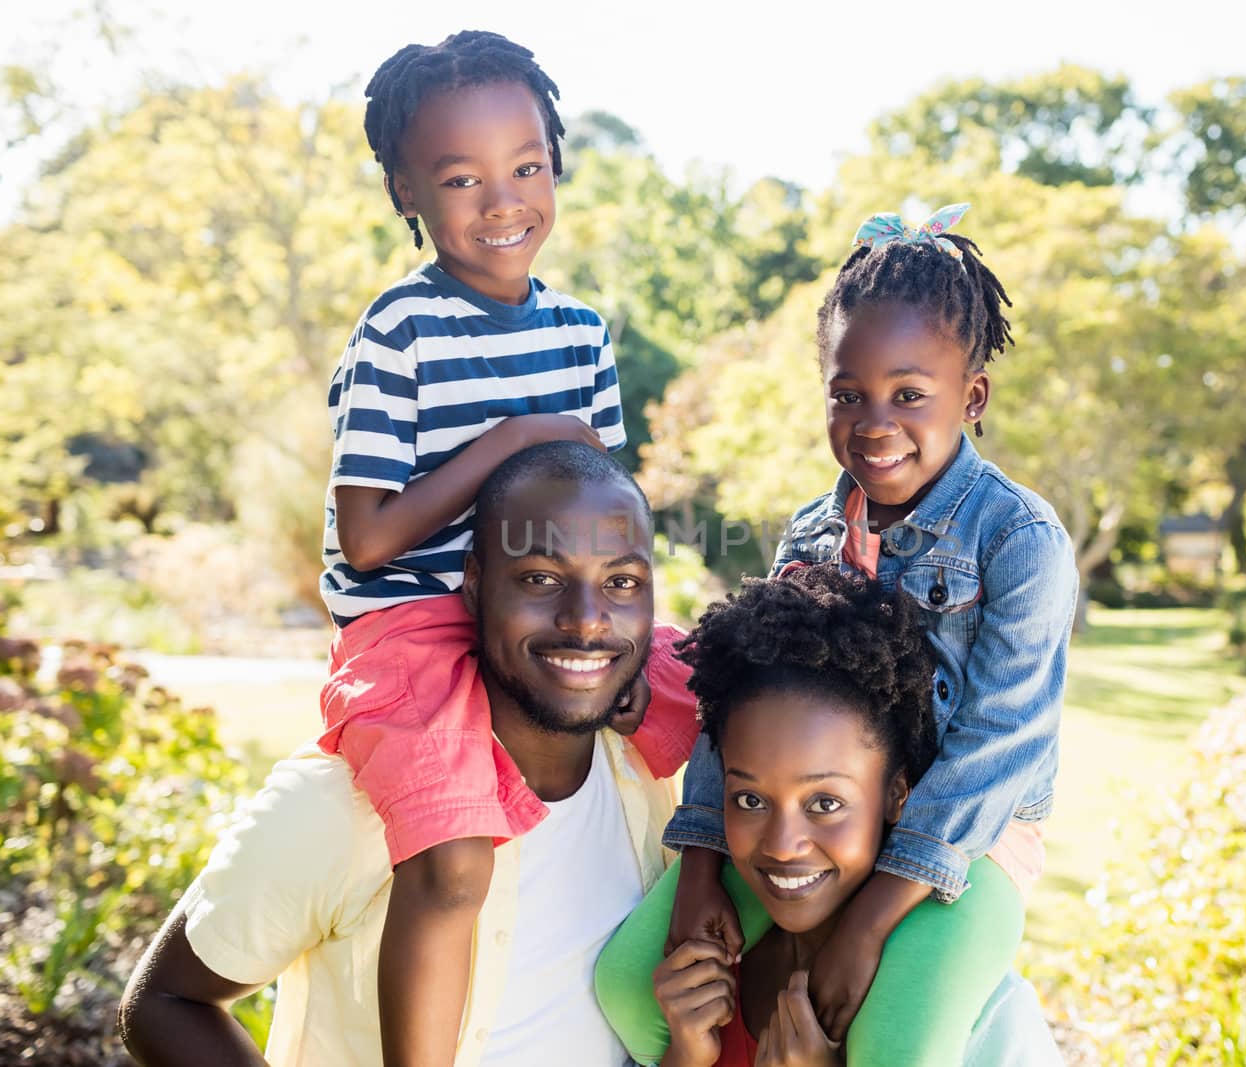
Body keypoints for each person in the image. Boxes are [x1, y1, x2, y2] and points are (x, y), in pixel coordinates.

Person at [597, 204, 1077, 1065]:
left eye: (909, 395)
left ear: (971, 397)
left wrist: (872, 916)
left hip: (966, 841)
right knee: (636, 986)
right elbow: (737, 705)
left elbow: (1000, 746)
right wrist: (702, 862)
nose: (875, 422)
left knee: (891, 1048)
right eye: (847, 394)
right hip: (810, 811)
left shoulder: (1019, 541)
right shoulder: (811, 535)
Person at [316, 31, 688, 1066]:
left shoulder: (578, 332)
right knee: (455, 857)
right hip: (415, 622)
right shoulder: (399, 332)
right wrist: (515, 438)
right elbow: (370, 537)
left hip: (540, 608)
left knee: (727, 718)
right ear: (406, 191)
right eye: (461, 178)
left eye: (526, 167)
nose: (503, 200)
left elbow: (607, 505)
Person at [119, 442, 699, 1067]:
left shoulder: (654, 777)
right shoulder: (348, 804)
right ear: (475, 587)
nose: (586, 622)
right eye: (540, 578)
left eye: (622, 582)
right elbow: (164, 1002)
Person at [633, 565, 1062, 1066]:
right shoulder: (707, 980)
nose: (781, 843)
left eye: (825, 804)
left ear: (897, 794)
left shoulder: (970, 1016)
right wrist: (685, 1053)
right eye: (750, 800)